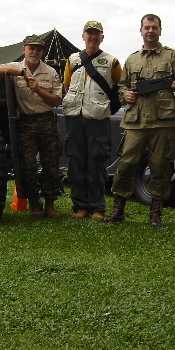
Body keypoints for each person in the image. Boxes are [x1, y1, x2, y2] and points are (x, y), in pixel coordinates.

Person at [104, 14, 175, 226]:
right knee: (125, 165)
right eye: (147, 27)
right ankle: (118, 209)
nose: (150, 31)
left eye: (154, 27)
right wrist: (126, 95)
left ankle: (156, 212)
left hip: (163, 120)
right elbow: (122, 86)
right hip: (136, 120)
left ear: (160, 30)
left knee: (159, 167)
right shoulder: (132, 59)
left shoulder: (172, 56)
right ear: (141, 30)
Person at [0, 35, 64, 218]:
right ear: (24, 50)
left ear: (42, 52)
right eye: (31, 48)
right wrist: (22, 73)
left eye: (38, 49)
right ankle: (34, 203)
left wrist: (38, 89)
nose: (35, 52)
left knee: (51, 164)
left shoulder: (51, 72)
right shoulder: (15, 67)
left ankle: (50, 204)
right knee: (28, 165)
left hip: (47, 121)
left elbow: (57, 101)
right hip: (26, 122)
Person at [62, 20, 122, 219]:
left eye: (97, 34)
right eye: (89, 33)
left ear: (102, 37)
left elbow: (120, 86)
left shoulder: (112, 61)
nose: (93, 37)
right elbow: (67, 85)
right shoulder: (72, 60)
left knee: (97, 162)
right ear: (83, 36)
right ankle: (80, 207)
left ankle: (97, 208)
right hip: (74, 116)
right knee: (76, 162)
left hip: (98, 117)